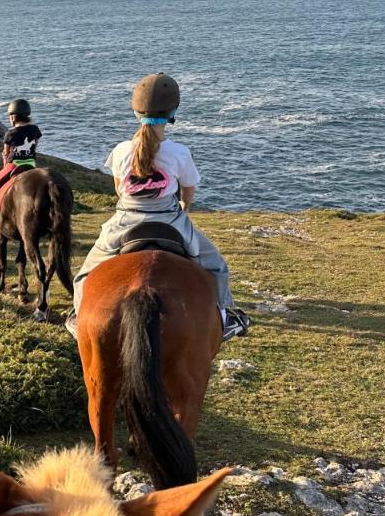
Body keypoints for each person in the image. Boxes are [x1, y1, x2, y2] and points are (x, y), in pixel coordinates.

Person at [65, 73, 250, 342]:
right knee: (217, 267)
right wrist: (184, 206)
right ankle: (224, 319)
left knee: (84, 275)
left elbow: (119, 188)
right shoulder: (179, 152)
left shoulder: (121, 150)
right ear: (173, 111)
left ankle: (79, 319)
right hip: (170, 221)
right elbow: (188, 190)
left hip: (124, 223)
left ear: (137, 111)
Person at [0, 99, 42, 236]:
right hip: (32, 166)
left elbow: (6, 154)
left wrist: (5, 167)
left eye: (10, 116)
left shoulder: (10, 134)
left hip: (13, 167)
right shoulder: (35, 130)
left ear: (13, 116)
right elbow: (35, 146)